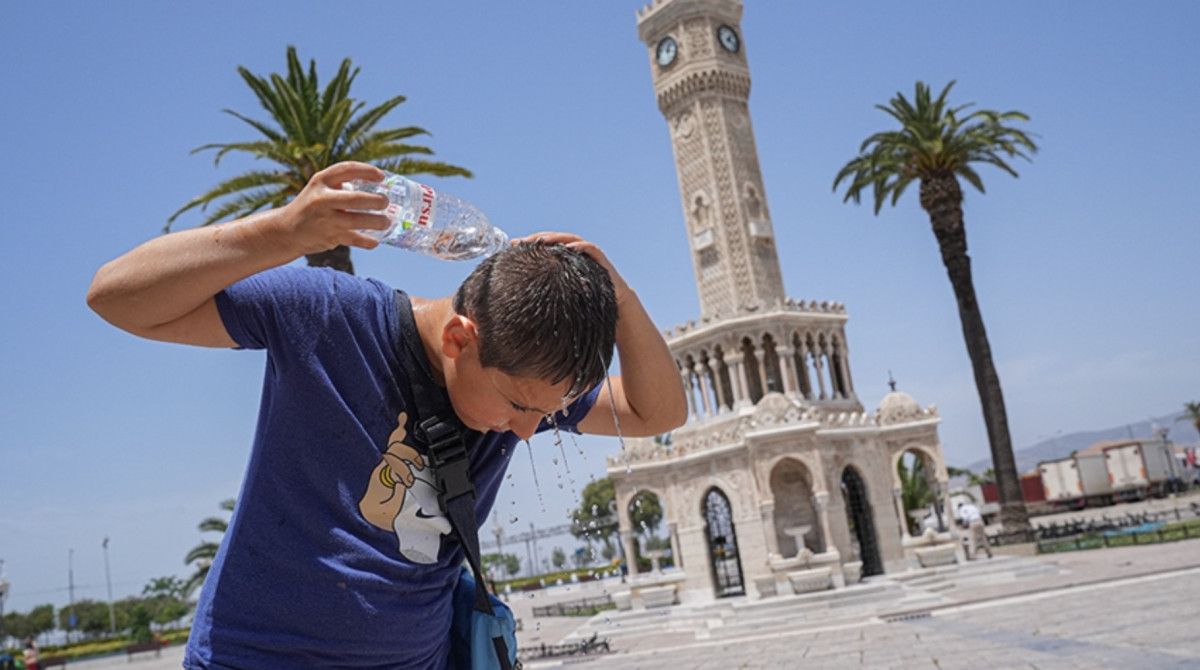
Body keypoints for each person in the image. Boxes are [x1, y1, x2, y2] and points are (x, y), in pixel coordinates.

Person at [87, 162, 688, 668]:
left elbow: (656, 410)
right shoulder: (329, 316)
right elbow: (116, 296)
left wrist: (621, 299)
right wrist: (283, 232)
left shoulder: (528, 380)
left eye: (545, 412)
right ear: (460, 338)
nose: (530, 429)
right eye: (519, 407)